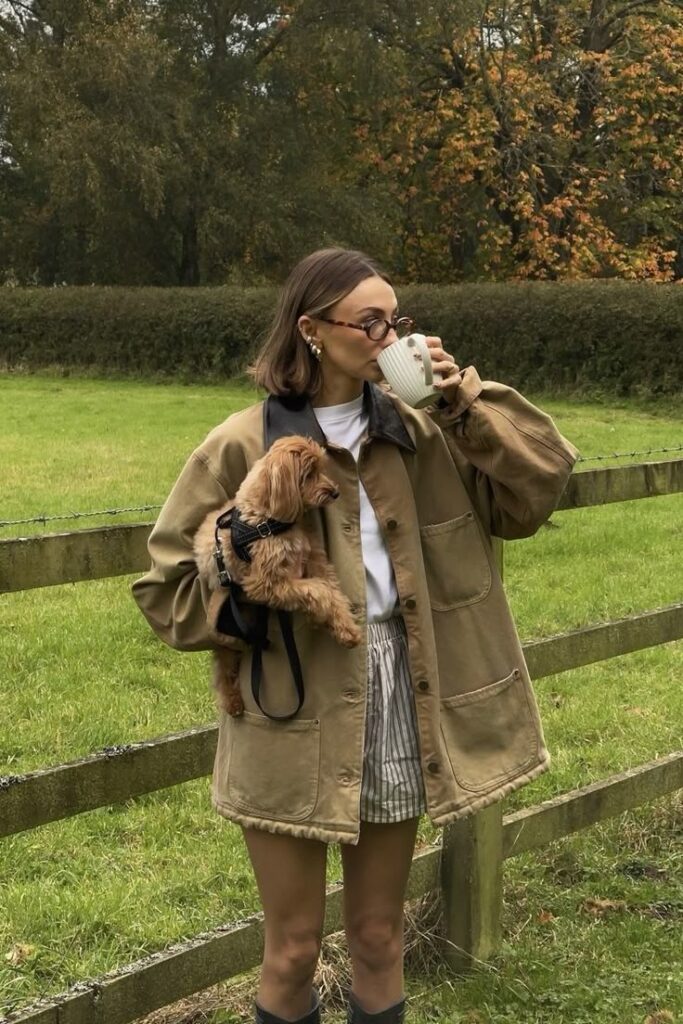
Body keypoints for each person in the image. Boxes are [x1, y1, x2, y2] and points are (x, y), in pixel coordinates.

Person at [131, 247, 579, 1024]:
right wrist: (244, 578)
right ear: (311, 330)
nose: (389, 336)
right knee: (293, 948)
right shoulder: (242, 444)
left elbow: (536, 486)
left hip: (404, 689)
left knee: (377, 936)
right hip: (291, 702)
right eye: (368, 321)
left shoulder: (424, 431)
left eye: (394, 319)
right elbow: (162, 589)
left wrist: (461, 399)